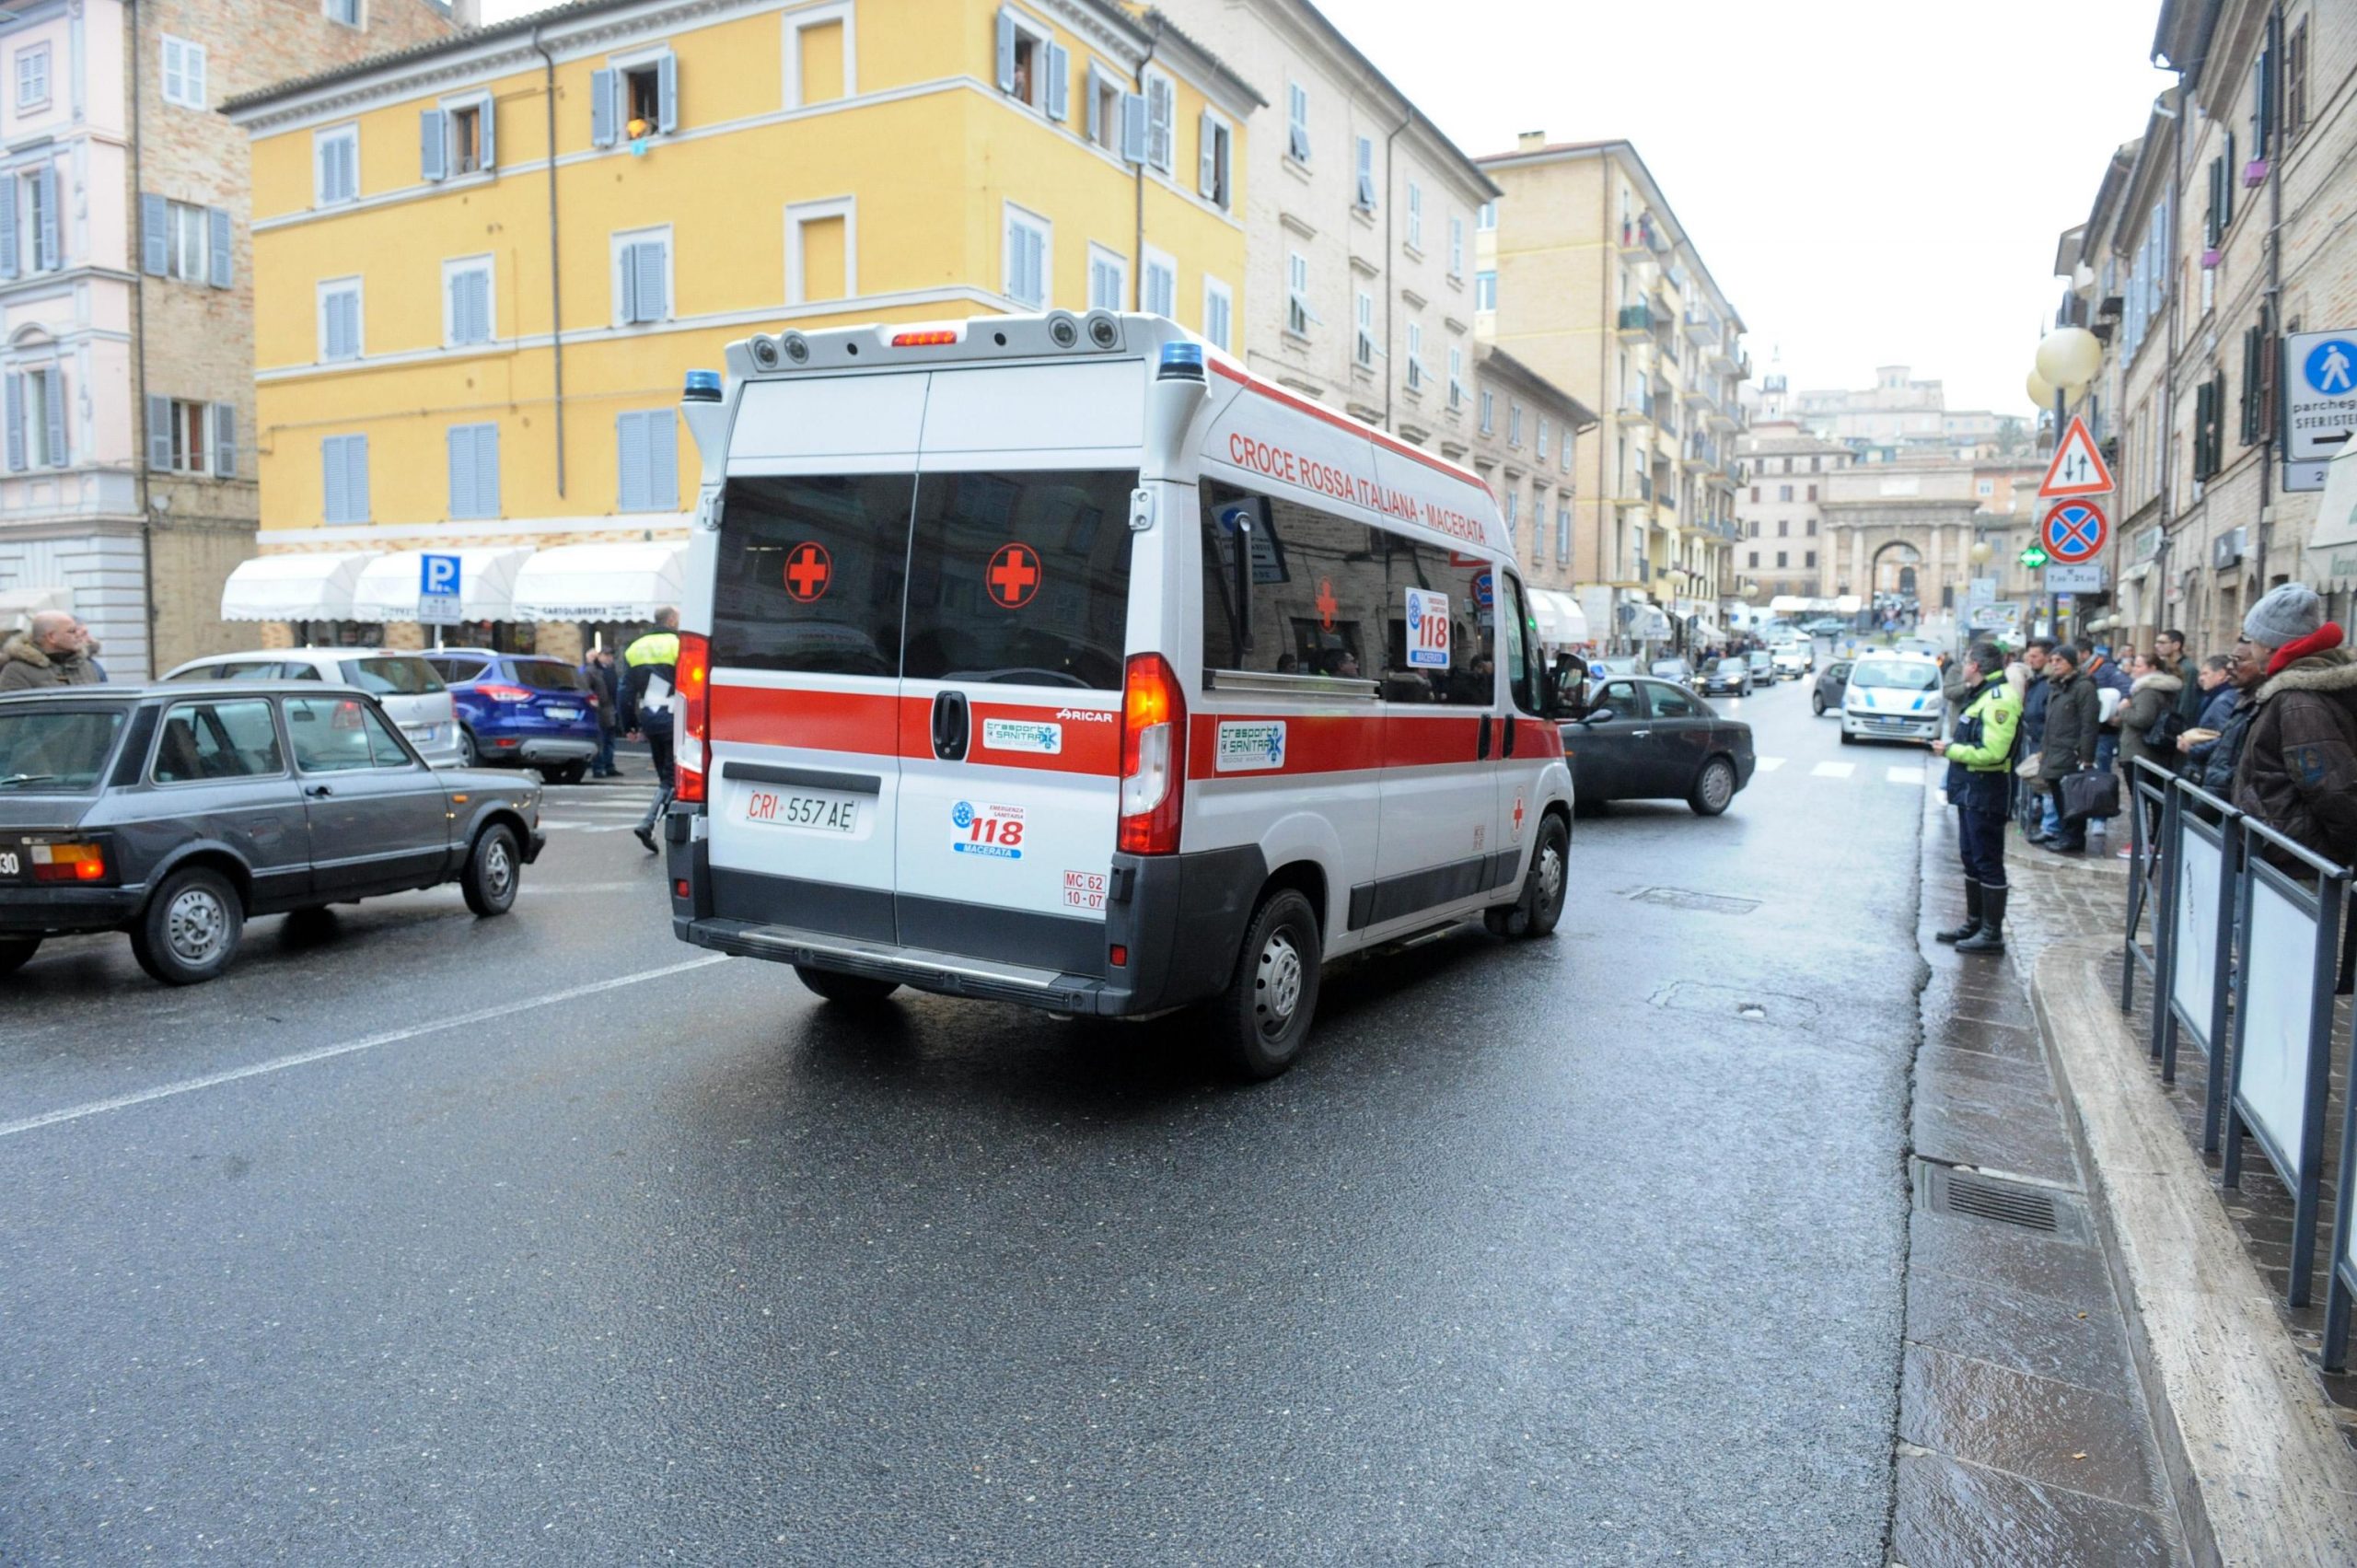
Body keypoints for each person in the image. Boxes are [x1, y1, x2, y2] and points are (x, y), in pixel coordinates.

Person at [2230, 584, 2357, 869]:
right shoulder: (2296, 692)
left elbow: (2332, 788)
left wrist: (2334, 857)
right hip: (2283, 847)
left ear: (2267, 644)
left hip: (2293, 856)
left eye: (2252, 639)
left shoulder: (2298, 700)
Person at [1933, 643, 2022, 953]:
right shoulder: (1982, 694)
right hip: (1970, 787)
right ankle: (1974, 922)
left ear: (1975, 666)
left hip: (1987, 789)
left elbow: (1994, 752)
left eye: (1967, 661)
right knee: (1970, 857)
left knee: (1987, 860)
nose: (1964, 666)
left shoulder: (2000, 698)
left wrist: (1951, 750)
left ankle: (1991, 933)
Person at [621, 608, 681, 853]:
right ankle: (648, 823)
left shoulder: (635, 648)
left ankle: (657, 824)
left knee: (664, 779)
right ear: (671, 620)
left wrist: (629, 725)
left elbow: (624, 692)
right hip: (675, 718)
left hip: (650, 720)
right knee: (671, 780)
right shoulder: (678, 644)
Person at [2035, 643, 2102, 854]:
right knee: (2058, 796)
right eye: (2052, 660)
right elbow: (2050, 723)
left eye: (2060, 660)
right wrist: (2043, 749)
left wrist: (2087, 757)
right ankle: (2063, 834)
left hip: (2071, 753)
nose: (2054, 664)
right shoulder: (2056, 686)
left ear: (2071, 663)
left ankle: (2072, 837)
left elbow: (2089, 724)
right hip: (2055, 751)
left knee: (2071, 799)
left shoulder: (2084, 687)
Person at [2200, 641, 2265, 797]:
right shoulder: (2242, 698)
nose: (2230, 666)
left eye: (2238, 659)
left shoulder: (2227, 699)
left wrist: (2193, 749)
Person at [2116, 651, 2183, 781]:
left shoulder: (2148, 690)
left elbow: (2143, 718)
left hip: (2140, 752)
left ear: (2152, 668)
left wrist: (2123, 710)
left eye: (2138, 666)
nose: (2134, 669)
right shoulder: (2149, 688)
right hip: (2144, 753)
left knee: (2141, 796)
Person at [0, 610, 99, 690]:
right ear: (51, 637)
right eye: (72, 631)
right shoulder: (17, 671)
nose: (78, 635)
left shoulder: (86, 666)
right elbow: (17, 711)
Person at [2177, 654, 2238, 774]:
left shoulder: (2223, 700)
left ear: (2221, 674)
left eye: (2205, 673)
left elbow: (2227, 738)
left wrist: (2192, 749)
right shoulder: (2214, 696)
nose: (2201, 678)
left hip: (2213, 768)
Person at [2080, 640, 2132, 774]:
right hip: (2090, 729)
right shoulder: (2084, 670)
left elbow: (2129, 688)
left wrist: (2116, 713)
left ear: (2085, 654)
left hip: (2103, 731)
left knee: (2100, 769)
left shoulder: (2105, 668)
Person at [581, 645, 621, 778]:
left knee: (610, 740)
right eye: (606, 655)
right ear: (600, 656)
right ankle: (598, 768)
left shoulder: (610, 670)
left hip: (610, 708)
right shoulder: (591, 671)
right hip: (598, 710)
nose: (609, 658)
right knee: (601, 740)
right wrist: (593, 701)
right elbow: (585, 688)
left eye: (610, 655)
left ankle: (609, 766)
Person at [2156, 628, 2202, 723]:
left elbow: (2186, 702)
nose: (2157, 646)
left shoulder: (2188, 669)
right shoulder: (2164, 666)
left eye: (2162, 643)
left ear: (2176, 645)